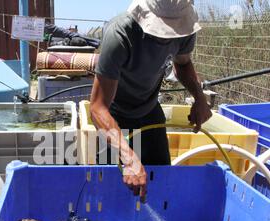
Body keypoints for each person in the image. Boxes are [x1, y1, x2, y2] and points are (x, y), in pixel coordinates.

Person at [90, 0, 212, 201]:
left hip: (150, 111)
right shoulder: (119, 34)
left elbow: (183, 64)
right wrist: (129, 158)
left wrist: (199, 98)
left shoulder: (185, 31)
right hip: (114, 116)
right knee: (110, 192)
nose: (168, 36)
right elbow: (97, 108)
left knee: (159, 186)